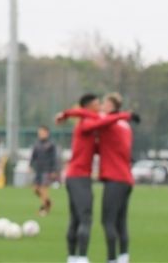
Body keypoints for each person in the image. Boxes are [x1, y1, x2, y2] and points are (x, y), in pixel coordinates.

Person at [56, 93, 134, 263]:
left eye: (103, 103)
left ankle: (79, 258)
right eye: (98, 103)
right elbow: (92, 118)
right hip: (79, 176)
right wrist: (124, 115)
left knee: (85, 219)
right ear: (89, 106)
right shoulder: (91, 124)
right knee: (85, 218)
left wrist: (66, 114)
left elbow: (95, 121)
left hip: (95, 177)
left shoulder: (108, 125)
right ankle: (81, 258)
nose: (100, 106)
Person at [30, 124, 58, 216]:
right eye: (40, 132)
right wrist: (30, 165)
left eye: (43, 132)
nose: (41, 134)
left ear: (47, 133)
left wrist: (54, 170)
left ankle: (44, 209)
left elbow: (54, 158)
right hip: (38, 169)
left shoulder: (51, 144)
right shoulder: (36, 143)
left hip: (47, 170)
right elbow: (33, 156)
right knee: (35, 189)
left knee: (43, 189)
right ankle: (48, 202)